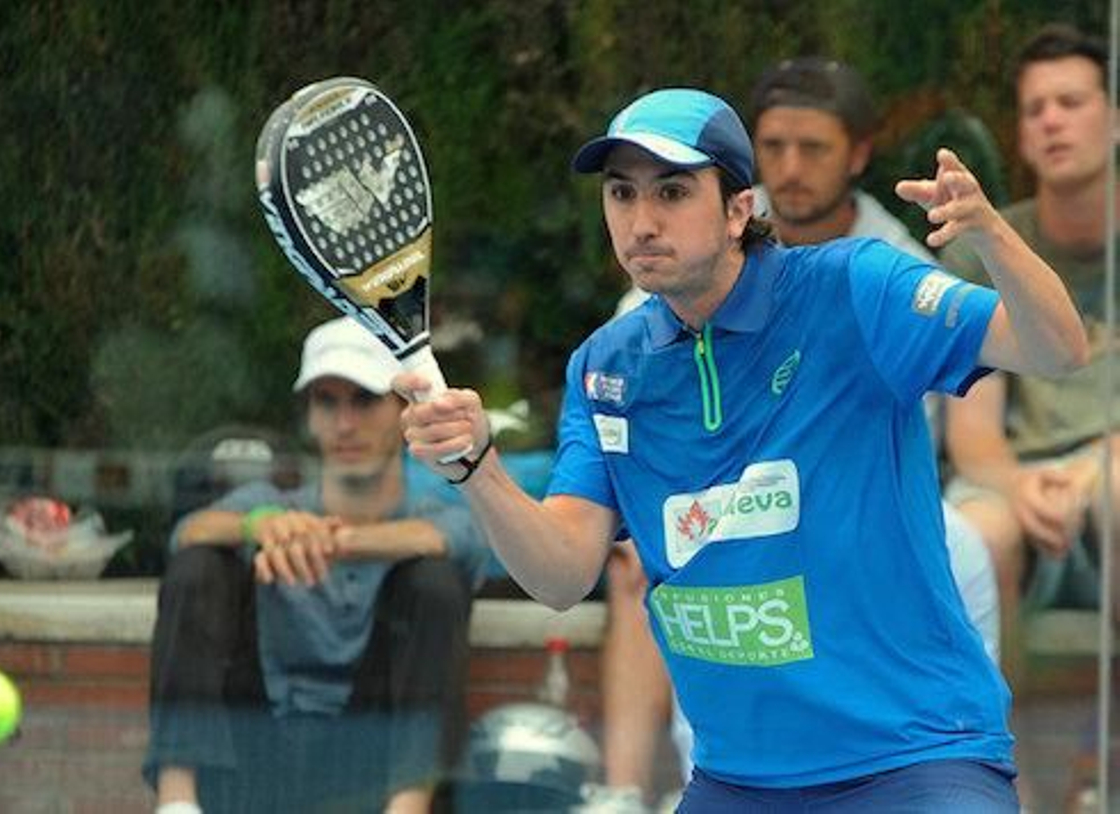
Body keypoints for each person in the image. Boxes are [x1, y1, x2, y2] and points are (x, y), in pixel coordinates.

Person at [397, 86, 1086, 810]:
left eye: (672, 191)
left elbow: (1059, 348)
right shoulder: (606, 368)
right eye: (621, 194)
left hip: (917, 760)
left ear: (738, 210)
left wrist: (989, 235)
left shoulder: (855, 287)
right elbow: (563, 573)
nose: (641, 221)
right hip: (740, 782)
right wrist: (477, 470)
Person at [589, 59, 1003, 812]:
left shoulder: (887, 270)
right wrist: (475, 467)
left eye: (812, 148)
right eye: (774, 146)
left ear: (857, 153)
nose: (791, 167)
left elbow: (991, 396)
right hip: (719, 537)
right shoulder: (642, 308)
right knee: (631, 562)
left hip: (876, 516)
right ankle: (620, 792)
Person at [143, 316, 488, 814]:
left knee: (434, 581)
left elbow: (453, 540)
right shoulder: (270, 504)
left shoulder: (435, 515)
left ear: (403, 410)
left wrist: (332, 539)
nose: (345, 424)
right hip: (255, 751)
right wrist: (256, 526)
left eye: (364, 400)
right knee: (199, 566)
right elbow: (188, 534)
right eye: (327, 402)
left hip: (369, 763)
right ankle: (177, 803)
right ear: (308, 416)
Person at [943, 24, 1120, 669]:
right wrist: (1019, 487)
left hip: (1110, 475)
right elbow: (974, 436)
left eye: (1070, 103)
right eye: (1035, 109)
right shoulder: (986, 250)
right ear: (1020, 135)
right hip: (1018, 481)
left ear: (1115, 118)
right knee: (976, 536)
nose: (1052, 122)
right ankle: (1002, 770)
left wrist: (1094, 473)